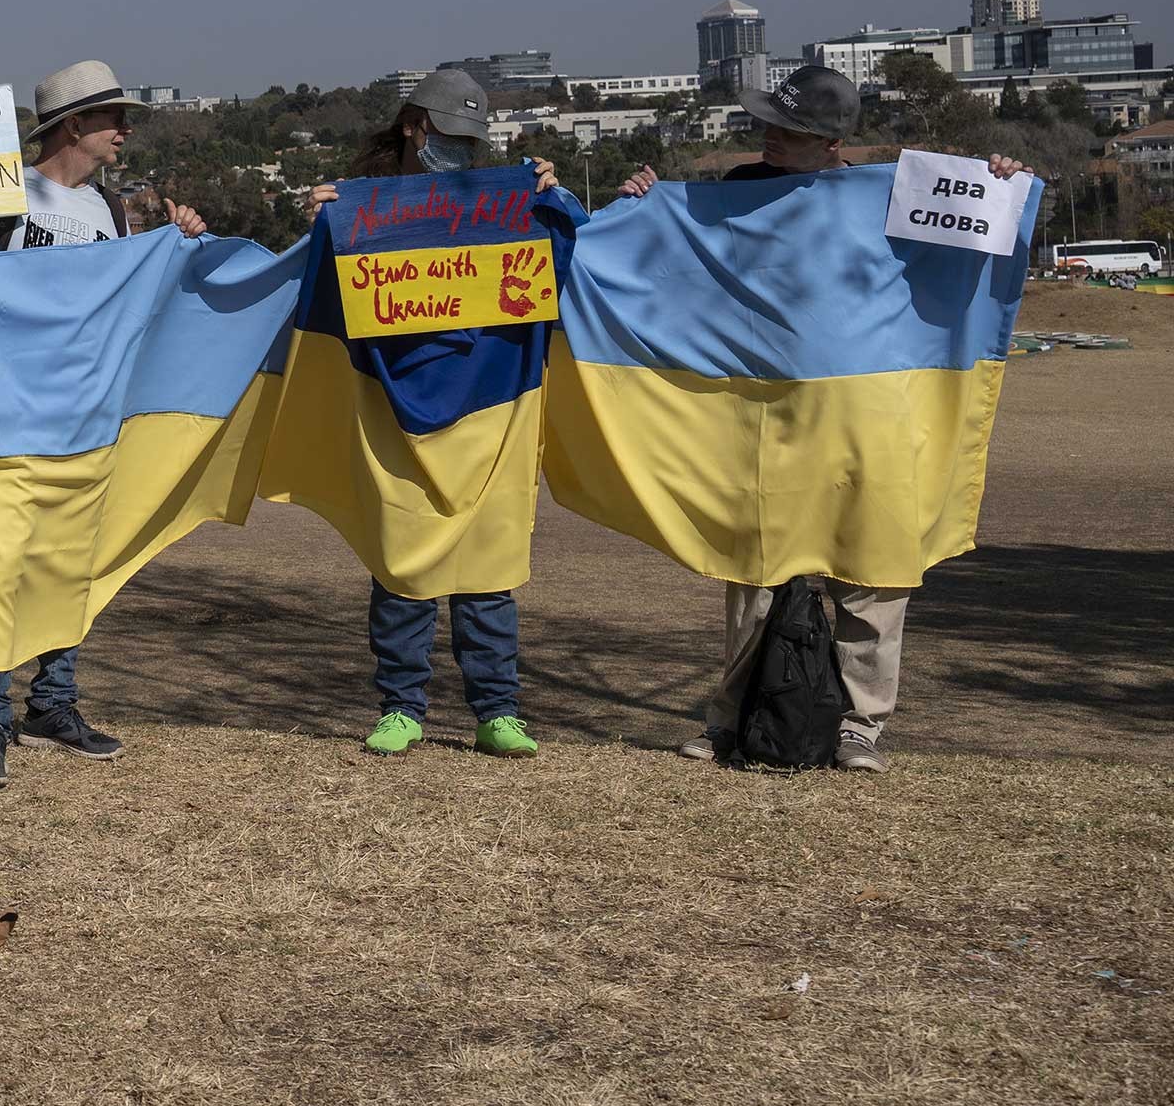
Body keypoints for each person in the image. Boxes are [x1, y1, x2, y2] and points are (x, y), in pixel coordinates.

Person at [615, 62, 1029, 774]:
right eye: (769, 124)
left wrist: (1000, 182)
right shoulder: (735, 192)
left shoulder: (902, 193)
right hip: (765, 418)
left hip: (871, 414)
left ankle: (861, 728)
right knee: (754, 572)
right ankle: (729, 720)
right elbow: (666, 260)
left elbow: (985, 239)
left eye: (793, 130)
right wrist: (640, 205)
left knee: (874, 570)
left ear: (834, 141)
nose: (772, 138)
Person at [303, 65, 576, 761]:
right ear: (413, 126)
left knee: (488, 571)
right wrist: (322, 227)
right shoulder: (362, 209)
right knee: (403, 568)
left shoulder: (505, 202)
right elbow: (323, 300)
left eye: (468, 138)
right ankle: (401, 707)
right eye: (447, 133)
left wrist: (557, 198)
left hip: (493, 402)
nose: (458, 147)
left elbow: (568, 260)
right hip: (395, 402)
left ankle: (498, 710)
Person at [0, 60, 208, 790]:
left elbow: (140, 304)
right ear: (73, 126)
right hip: (0, 413)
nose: (124, 130)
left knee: (70, 560)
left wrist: (181, 241)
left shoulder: (114, 212)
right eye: (112, 118)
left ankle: (53, 705)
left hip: (86, 417)